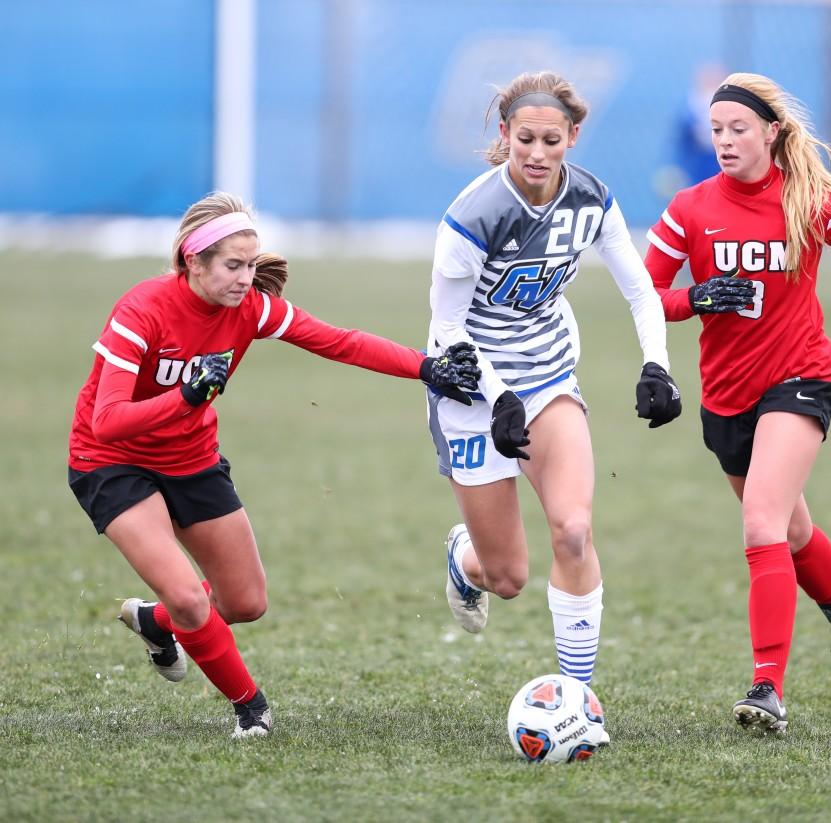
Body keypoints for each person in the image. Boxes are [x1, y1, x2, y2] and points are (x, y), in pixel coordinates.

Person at [68, 192, 479, 739]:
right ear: (194, 262)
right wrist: (187, 398)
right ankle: (251, 709)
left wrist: (428, 368)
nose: (245, 278)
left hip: (190, 457)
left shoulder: (251, 308)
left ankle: (152, 620)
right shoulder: (141, 310)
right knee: (191, 597)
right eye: (232, 266)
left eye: (251, 265)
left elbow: (341, 343)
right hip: (111, 461)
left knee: (243, 602)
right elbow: (108, 421)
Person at [644, 73, 831, 733]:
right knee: (791, 532)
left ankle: (767, 687)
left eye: (739, 129)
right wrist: (696, 299)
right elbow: (645, 295)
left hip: (800, 377)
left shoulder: (808, 200)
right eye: (717, 130)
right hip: (726, 395)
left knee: (762, 523)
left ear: (772, 132)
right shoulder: (690, 207)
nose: (727, 141)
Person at [425, 71, 681, 716]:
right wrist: (495, 396)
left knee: (573, 531)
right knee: (506, 578)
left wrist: (658, 366)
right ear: (506, 136)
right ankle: (465, 557)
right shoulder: (472, 214)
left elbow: (640, 288)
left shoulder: (592, 198)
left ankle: (577, 697)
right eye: (526, 139)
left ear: (572, 137)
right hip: (469, 386)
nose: (538, 153)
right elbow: (448, 328)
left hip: (547, 376)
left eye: (552, 140)